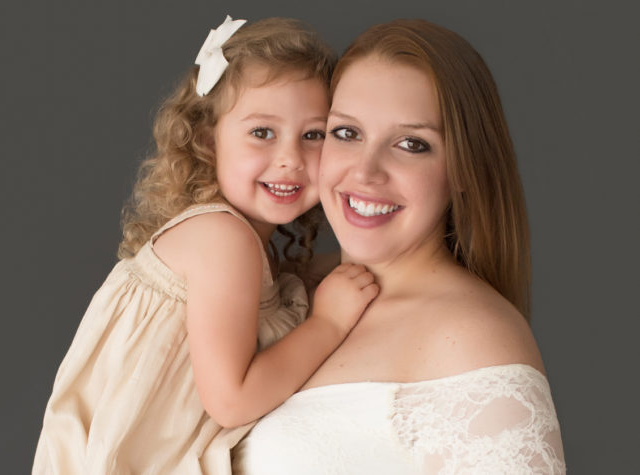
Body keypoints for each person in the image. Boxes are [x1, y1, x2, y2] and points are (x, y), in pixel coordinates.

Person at [32, 16, 379, 475]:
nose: (290, 159)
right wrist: (329, 324)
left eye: (313, 135)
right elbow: (233, 401)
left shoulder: (239, 245)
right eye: (262, 132)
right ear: (206, 138)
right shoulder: (224, 240)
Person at [233, 19, 566, 474]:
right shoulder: (283, 288)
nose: (367, 171)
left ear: (465, 171)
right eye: (347, 133)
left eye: (412, 144)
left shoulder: (471, 337)